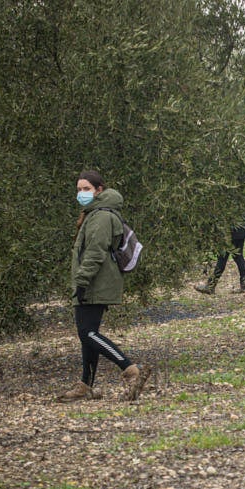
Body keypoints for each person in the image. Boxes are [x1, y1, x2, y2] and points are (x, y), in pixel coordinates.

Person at [60, 170, 150, 401]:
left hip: (95, 282)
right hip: (96, 281)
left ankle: (130, 370)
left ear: (99, 190)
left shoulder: (100, 215)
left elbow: (95, 252)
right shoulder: (95, 213)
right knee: (87, 334)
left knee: (88, 333)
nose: (81, 193)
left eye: (86, 189)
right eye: (79, 189)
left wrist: (81, 281)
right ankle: (85, 386)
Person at [194, 220, 245, 294]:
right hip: (241, 229)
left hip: (229, 232)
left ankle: (210, 286)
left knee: (222, 258)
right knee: (238, 256)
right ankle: (244, 284)